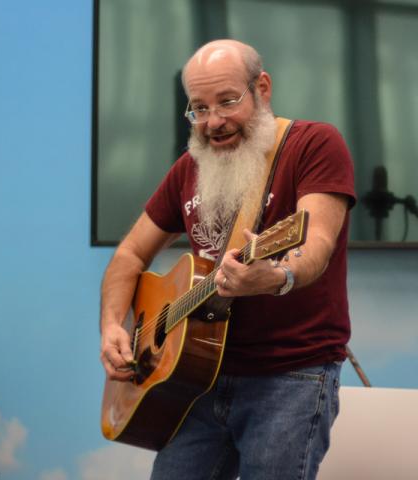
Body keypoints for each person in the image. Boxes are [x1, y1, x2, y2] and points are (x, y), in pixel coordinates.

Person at [100, 39, 355, 480]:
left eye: (227, 101)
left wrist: (277, 276)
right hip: (194, 384)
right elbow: (129, 254)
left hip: (289, 379)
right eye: (198, 108)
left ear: (262, 87)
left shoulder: (314, 144)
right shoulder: (187, 169)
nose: (213, 122)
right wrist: (111, 326)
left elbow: (315, 245)